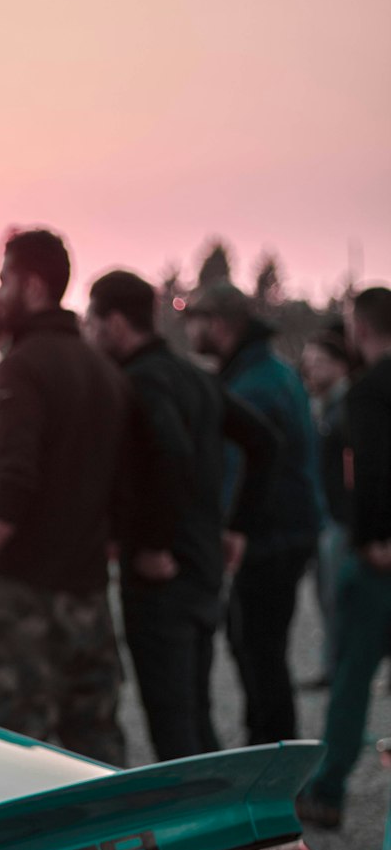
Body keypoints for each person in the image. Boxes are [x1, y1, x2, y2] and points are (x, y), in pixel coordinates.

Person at [0, 228, 131, 765]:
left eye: (3, 279)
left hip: (24, 600)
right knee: (97, 751)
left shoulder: (23, 365)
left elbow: (13, 483)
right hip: (88, 596)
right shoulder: (104, 370)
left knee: (15, 758)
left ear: (31, 286)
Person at [86, 269, 278, 760]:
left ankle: (201, 831)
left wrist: (152, 544)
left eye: (92, 319)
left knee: (174, 727)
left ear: (114, 322)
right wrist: (237, 527)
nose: (89, 331)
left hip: (163, 580)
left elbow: (172, 455)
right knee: (195, 714)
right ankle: (225, 827)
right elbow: (265, 443)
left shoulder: (138, 382)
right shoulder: (195, 376)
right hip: (203, 565)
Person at [185, 281, 322, 744]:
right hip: (280, 535)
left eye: (194, 316)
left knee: (259, 653)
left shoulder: (255, 384)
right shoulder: (264, 370)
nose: (188, 327)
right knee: (256, 649)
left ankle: (272, 767)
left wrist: (229, 527)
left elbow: (240, 468)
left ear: (220, 324)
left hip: (269, 539)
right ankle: (269, 758)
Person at [298, 287, 391, 828]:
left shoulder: (369, 392)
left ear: (360, 328)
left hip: (378, 562)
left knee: (352, 676)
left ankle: (327, 792)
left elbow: (372, 471)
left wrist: (375, 538)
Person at [301, 329, 354, 686]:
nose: (311, 371)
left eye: (318, 363)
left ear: (338, 365)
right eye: (308, 363)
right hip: (325, 517)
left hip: (339, 519)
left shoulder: (348, 408)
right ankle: (333, 668)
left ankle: (340, 671)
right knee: (327, 598)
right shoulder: (322, 407)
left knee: (339, 599)